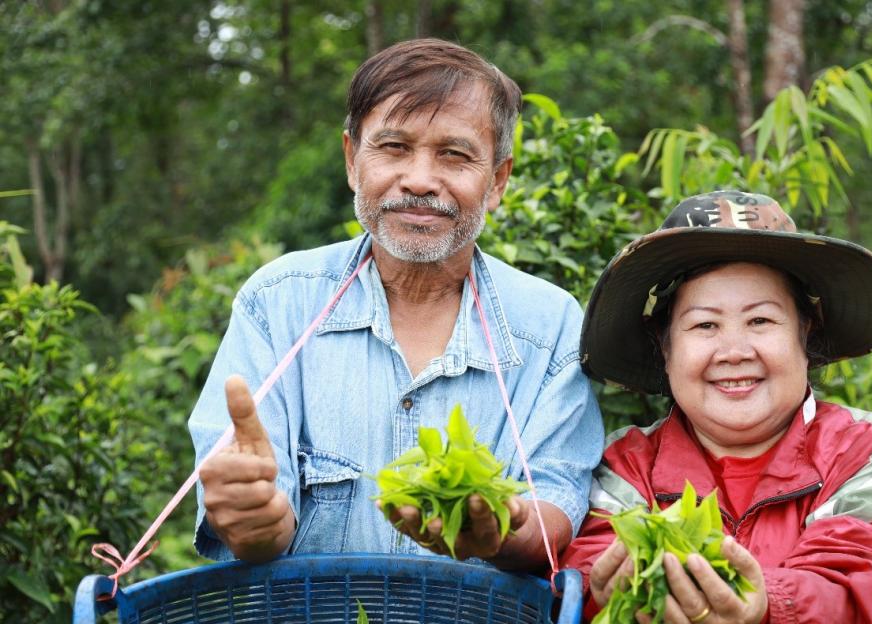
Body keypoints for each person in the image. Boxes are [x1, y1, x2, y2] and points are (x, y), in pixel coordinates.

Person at [188, 38, 604, 573]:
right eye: (393, 147)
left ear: (497, 180)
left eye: (454, 155)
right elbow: (254, 514)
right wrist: (254, 520)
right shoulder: (278, 303)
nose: (420, 180)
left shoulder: (550, 327)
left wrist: (503, 528)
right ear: (352, 161)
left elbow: (554, 508)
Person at [562, 190, 872, 624]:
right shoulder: (624, 473)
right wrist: (600, 605)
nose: (734, 350)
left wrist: (768, 615)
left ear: (806, 334)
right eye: (704, 325)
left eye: (761, 322)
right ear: (665, 347)